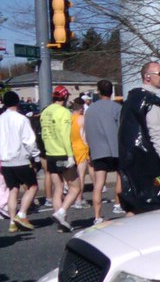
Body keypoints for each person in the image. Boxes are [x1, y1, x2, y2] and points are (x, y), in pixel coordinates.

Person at [118, 61, 160, 215]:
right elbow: (156, 133)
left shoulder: (130, 100)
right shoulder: (151, 101)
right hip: (151, 161)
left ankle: (128, 228)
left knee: (136, 204)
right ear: (147, 77)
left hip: (131, 159)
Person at [39, 85, 81, 231]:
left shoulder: (45, 112)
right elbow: (64, 135)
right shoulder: (64, 112)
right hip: (62, 153)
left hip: (50, 153)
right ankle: (61, 212)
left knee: (58, 188)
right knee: (75, 187)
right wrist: (70, 155)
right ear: (65, 97)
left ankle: (61, 223)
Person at [0, 89, 41, 232]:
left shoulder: (1, 118)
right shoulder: (21, 119)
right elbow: (29, 141)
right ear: (17, 102)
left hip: (5, 160)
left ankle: (12, 221)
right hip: (20, 159)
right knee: (33, 186)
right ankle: (21, 214)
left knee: (13, 189)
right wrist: (36, 155)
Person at [84, 79, 123, 224]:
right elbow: (122, 129)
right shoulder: (117, 108)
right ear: (111, 91)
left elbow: (87, 132)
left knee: (99, 184)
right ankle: (117, 204)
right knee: (120, 177)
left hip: (98, 149)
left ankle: (97, 216)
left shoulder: (90, 110)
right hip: (115, 148)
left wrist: (90, 150)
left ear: (99, 91)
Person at [70, 98, 91, 209]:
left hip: (71, 147)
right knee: (81, 175)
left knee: (72, 176)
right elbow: (86, 135)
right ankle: (79, 199)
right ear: (81, 109)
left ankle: (73, 197)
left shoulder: (68, 118)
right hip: (82, 148)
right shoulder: (82, 118)